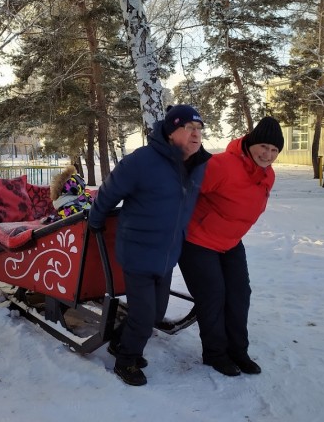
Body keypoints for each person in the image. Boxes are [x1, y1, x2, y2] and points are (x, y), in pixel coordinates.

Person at [88, 105, 211, 386]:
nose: (196, 134)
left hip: (167, 255)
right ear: (170, 133)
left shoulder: (198, 165)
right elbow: (108, 191)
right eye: (189, 128)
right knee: (143, 316)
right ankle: (126, 360)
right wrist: (96, 221)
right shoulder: (142, 161)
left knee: (155, 313)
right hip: (138, 251)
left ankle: (119, 342)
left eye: (199, 129)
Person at [178, 116, 284, 377]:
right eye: (264, 147)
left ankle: (238, 351)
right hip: (197, 240)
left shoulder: (267, 175)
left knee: (239, 295)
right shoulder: (223, 165)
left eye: (274, 150)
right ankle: (215, 354)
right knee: (213, 295)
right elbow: (185, 191)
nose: (268, 154)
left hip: (231, 242)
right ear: (251, 144)